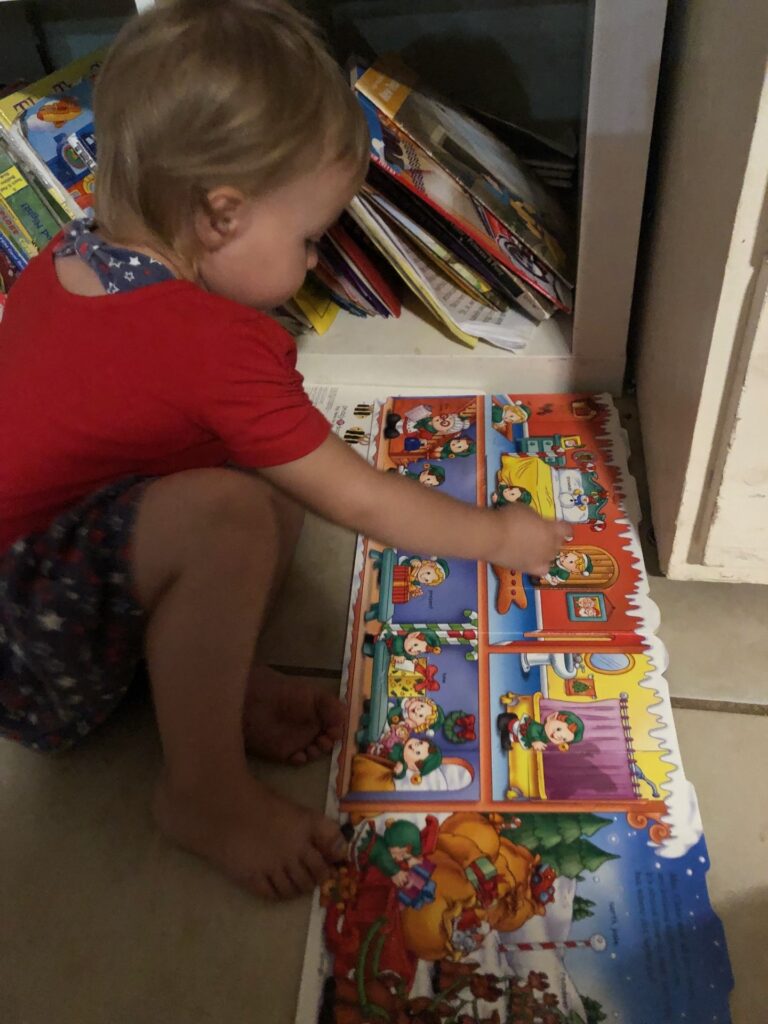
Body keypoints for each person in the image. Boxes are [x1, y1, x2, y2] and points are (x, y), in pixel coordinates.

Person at [0, 0, 569, 902]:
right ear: (221, 216)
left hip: (43, 578)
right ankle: (202, 793)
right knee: (235, 513)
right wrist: (501, 539)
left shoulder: (64, 254)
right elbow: (359, 498)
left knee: (252, 498)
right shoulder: (213, 347)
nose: (313, 262)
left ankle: (215, 688)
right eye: (309, 237)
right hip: (24, 652)